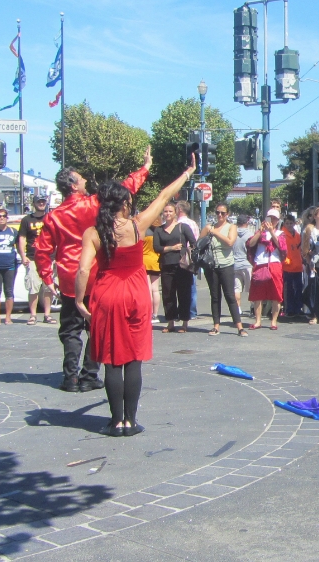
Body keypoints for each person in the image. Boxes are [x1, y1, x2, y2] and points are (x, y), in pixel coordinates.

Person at [75, 154, 197, 436]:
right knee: (133, 359)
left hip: (107, 292)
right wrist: (188, 171)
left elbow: (83, 270)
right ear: (124, 202)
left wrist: (80, 300)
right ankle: (130, 420)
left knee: (111, 359)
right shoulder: (136, 225)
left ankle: (115, 421)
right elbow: (166, 193)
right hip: (134, 290)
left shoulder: (93, 232)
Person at [35, 150, 152, 393]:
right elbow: (125, 187)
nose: (86, 180)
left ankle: (70, 375)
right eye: (81, 178)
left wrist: (47, 277)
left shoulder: (54, 216)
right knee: (97, 327)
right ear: (74, 185)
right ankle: (89, 373)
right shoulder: (94, 203)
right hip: (99, 274)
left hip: (70, 276)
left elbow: (42, 250)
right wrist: (144, 168)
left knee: (70, 328)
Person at [199, 202, 248, 336]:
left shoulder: (231, 227)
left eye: (222, 213)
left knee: (230, 295)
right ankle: (216, 326)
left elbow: (230, 242)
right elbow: (199, 243)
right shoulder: (209, 227)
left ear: (227, 214)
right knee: (215, 296)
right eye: (217, 212)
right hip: (211, 266)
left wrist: (215, 232)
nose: (219, 215)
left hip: (226, 265)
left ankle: (239, 327)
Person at [153, 202, 196, 333]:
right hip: (166, 265)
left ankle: (184, 322)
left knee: (184, 293)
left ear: (175, 212)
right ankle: (170, 322)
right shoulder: (159, 230)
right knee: (168, 295)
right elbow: (157, 247)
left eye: (170, 211)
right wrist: (171, 248)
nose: (168, 214)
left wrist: (186, 251)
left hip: (182, 266)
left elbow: (194, 243)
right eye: (165, 211)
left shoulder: (183, 227)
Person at [18, 194, 56, 326]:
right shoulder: (27, 220)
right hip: (33, 258)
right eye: (39, 202)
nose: (41, 204)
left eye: (43, 202)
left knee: (48, 288)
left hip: (50, 257)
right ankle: (33, 315)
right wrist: (23, 256)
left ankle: (47, 314)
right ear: (34, 203)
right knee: (33, 287)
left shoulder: (51, 217)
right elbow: (22, 238)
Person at [246, 209, 287, 330]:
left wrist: (271, 232)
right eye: (270, 218)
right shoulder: (260, 232)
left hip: (274, 264)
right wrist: (261, 231)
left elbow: (281, 247)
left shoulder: (280, 233)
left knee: (276, 294)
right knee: (257, 295)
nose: (272, 220)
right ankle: (258, 321)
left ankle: (274, 321)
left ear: (278, 221)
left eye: (274, 219)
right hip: (260, 264)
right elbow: (250, 244)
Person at [176, 200, 200, 319]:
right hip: (193, 257)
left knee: (182, 286)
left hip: (183, 257)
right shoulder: (193, 223)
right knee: (192, 284)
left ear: (179, 210)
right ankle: (192, 311)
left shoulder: (178, 223)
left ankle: (184, 311)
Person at [282, 214, 304, 317]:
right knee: (288, 289)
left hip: (298, 266)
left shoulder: (298, 235)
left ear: (294, 223)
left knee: (298, 288)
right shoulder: (282, 234)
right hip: (287, 266)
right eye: (287, 223)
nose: (289, 225)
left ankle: (298, 308)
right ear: (284, 224)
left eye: (291, 223)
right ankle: (289, 309)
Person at [233, 214, 253, 316]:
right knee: (251, 289)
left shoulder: (233, 234)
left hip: (235, 264)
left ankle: (237, 309)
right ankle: (253, 308)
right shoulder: (250, 234)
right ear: (246, 223)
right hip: (247, 264)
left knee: (237, 288)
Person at [143, 217, 162, 323]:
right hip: (156, 262)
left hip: (144, 261)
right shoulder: (159, 232)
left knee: (148, 289)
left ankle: (148, 313)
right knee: (155, 289)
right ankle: (155, 314)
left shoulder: (145, 232)